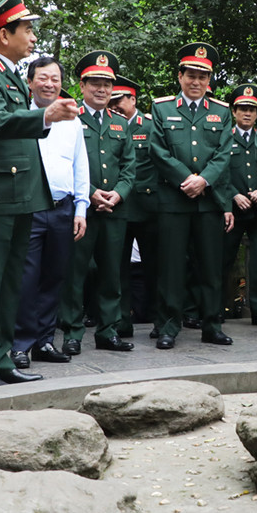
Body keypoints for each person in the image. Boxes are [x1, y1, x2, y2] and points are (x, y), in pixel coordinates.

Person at [0, 0, 81, 390]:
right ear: (3, 35)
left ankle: (1, 359)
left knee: (10, 285)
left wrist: (44, 117)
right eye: (26, 29)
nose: (32, 36)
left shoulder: (9, 76)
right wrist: (46, 115)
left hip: (20, 194)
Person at [147, 42, 235, 349]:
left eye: (203, 76)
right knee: (171, 266)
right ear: (180, 76)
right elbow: (156, 150)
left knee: (211, 267)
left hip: (209, 201)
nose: (196, 81)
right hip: (174, 199)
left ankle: (212, 324)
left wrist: (204, 180)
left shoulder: (222, 113)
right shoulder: (162, 108)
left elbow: (225, 154)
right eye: (191, 75)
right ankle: (169, 325)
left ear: (209, 80)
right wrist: (186, 178)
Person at [10, 56, 89, 368]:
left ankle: (44, 341)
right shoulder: (20, 116)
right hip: (30, 209)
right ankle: (20, 345)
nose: (49, 84)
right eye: (43, 78)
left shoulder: (73, 119)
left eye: (55, 78)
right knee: (26, 279)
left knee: (54, 278)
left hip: (63, 209)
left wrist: (81, 208)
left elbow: (80, 166)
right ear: (30, 83)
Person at [59, 50, 136, 354]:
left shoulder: (120, 124)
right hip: (82, 209)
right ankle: (73, 332)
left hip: (115, 210)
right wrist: (90, 192)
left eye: (107, 83)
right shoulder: (69, 119)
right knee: (75, 273)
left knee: (111, 273)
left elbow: (130, 167)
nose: (102, 89)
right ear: (82, 85)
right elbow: (63, 162)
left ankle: (107, 331)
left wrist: (118, 193)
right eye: (95, 83)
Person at [223, 83, 257, 328]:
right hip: (232, 210)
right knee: (223, 259)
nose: (247, 113)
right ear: (234, 111)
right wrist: (233, 195)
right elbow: (218, 171)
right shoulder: (224, 137)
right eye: (242, 108)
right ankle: (217, 308)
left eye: (252, 110)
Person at [111, 75, 157, 335]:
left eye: (120, 100)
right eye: (112, 101)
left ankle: (159, 319)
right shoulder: (109, 124)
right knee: (119, 269)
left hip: (148, 208)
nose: (115, 105)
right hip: (118, 207)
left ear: (133, 99)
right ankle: (121, 322)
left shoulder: (150, 126)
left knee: (154, 266)